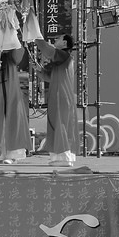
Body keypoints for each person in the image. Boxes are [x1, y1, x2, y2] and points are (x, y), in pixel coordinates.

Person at [37, 34, 77, 167]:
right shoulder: (62, 59)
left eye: (59, 38)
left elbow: (47, 50)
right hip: (58, 95)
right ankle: (58, 157)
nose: (55, 40)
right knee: (56, 125)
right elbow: (49, 77)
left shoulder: (63, 55)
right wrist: (39, 70)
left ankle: (64, 157)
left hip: (62, 95)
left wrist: (36, 36)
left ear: (65, 43)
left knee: (61, 125)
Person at [0, 47, 29, 164]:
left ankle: (12, 155)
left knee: (13, 124)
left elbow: (20, 51)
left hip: (12, 97)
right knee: (0, 125)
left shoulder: (11, 58)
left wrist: (13, 39)